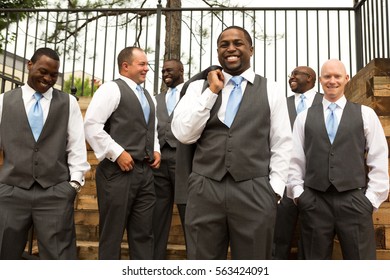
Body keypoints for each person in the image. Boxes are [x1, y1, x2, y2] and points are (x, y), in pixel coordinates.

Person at [171, 26, 292, 260]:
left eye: (238, 43)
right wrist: (212, 93)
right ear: (218, 51)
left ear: (251, 49)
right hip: (205, 187)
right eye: (224, 44)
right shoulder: (198, 88)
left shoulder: (272, 89)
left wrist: (274, 190)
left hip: (254, 190)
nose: (231, 49)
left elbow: (282, 142)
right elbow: (184, 134)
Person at [287, 59, 389, 259]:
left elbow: (378, 158)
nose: (332, 81)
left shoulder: (365, 114)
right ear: (320, 80)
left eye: (337, 76)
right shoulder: (304, 117)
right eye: (327, 76)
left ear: (346, 79)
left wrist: (370, 200)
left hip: (355, 202)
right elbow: (295, 160)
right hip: (315, 202)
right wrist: (300, 195)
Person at [0, 47, 90, 259]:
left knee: (60, 259)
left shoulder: (68, 103)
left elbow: (76, 147)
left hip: (55, 193)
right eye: (43, 71)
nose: (48, 78)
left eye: (54, 75)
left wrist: (73, 186)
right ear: (29, 65)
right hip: (11, 191)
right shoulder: (3, 101)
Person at [84, 46, 161, 260]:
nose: (147, 69)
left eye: (147, 64)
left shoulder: (148, 96)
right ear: (125, 66)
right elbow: (91, 126)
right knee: (112, 234)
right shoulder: (111, 90)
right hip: (117, 173)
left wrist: (155, 149)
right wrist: (116, 153)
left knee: (144, 233)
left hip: (145, 174)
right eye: (142, 64)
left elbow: (152, 128)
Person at [272, 66, 323, 259]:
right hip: (284, 178)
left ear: (309, 77)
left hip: (316, 180)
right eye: (290, 75)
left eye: (295, 74)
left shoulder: (325, 102)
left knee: (312, 237)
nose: (291, 78)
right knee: (280, 234)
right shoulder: (282, 104)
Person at [153, 59, 184, 259]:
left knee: (188, 213)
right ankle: (156, 260)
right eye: (163, 71)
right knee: (157, 215)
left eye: (169, 70)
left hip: (183, 160)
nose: (165, 73)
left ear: (181, 70)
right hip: (159, 161)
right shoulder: (156, 98)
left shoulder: (193, 95)